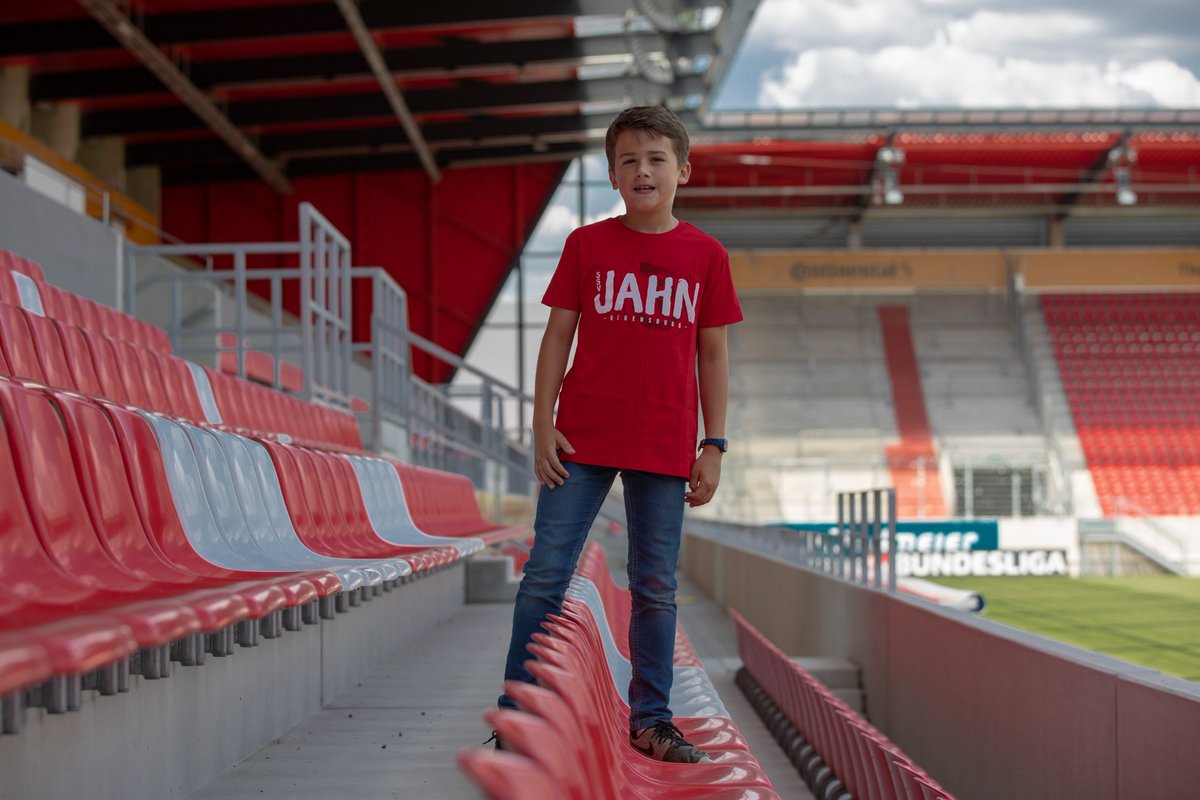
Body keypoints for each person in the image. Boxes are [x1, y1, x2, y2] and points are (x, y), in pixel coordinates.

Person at [495, 105, 742, 764]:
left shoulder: (706, 255)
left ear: (683, 170)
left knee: (655, 587)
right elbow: (556, 339)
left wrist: (713, 444)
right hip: (580, 437)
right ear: (611, 173)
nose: (642, 170)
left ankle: (652, 719)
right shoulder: (586, 245)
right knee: (546, 574)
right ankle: (519, 715)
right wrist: (542, 423)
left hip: (664, 442)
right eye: (628, 159)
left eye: (657, 158)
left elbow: (712, 356)